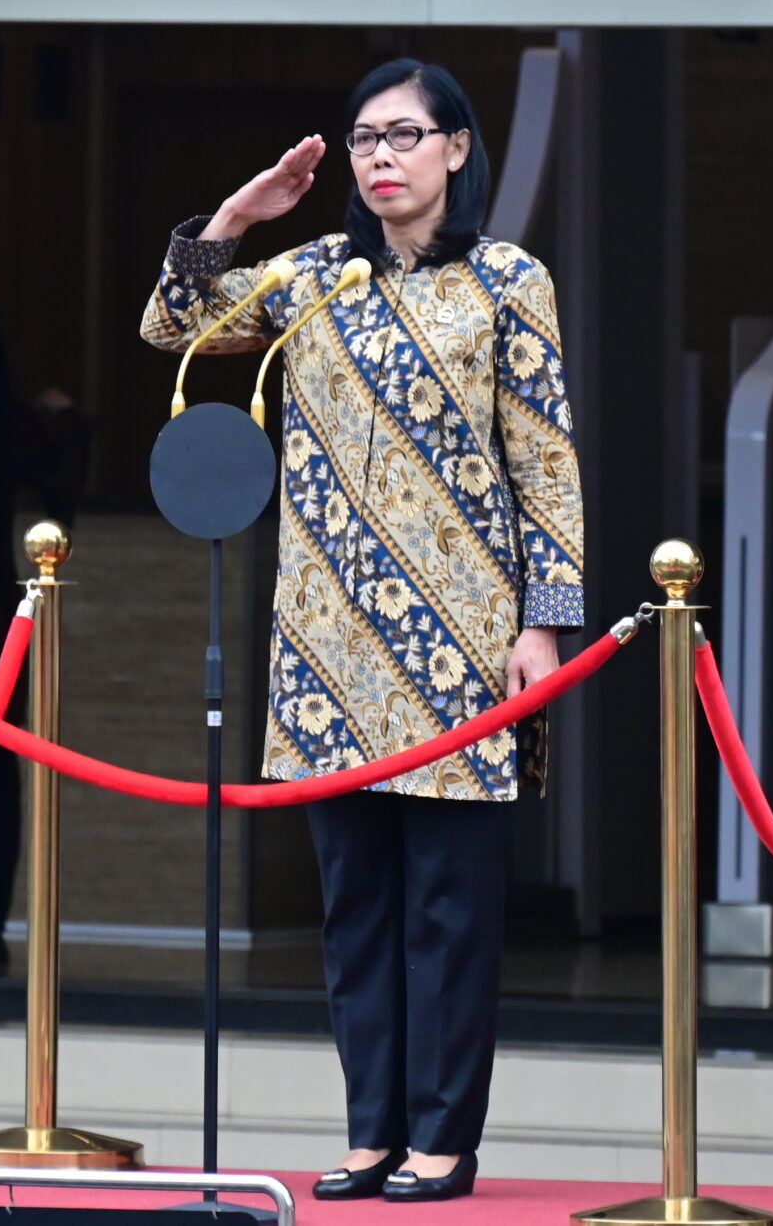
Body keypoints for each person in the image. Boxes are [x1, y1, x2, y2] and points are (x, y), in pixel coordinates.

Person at [140, 59, 585, 1203]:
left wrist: (547, 619)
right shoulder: (314, 275)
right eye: (362, 139)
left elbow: (544, 459)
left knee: (447, 911)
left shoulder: (506, 280)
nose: (379, 156)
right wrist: (237, 220)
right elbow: (170, 329)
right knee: (354, 913)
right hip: (328, 648)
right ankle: (369, 1136)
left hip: (462, 647)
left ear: (455, 149)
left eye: (403, 135)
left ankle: (441, 1138)